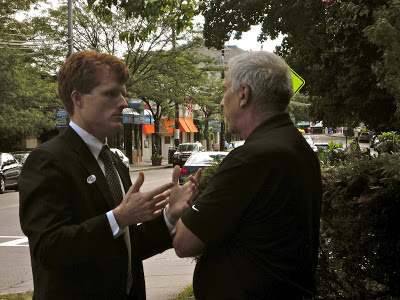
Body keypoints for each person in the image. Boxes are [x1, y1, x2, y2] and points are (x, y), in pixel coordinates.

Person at [19, 51, 199, 300]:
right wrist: (119, 217)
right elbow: (48, 249)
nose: (123, 102)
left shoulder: (114, 162)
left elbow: (124, 246)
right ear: (78, 99)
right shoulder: (48, 160)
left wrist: (169, 216)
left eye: (123, 93)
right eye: (111, 93)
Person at [173, 51, 322, 299]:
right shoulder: (298, 148)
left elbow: (184, 242)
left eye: (225, 90)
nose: (222, 102)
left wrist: (178, 210)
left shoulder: (251, 158)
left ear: (243, 94)